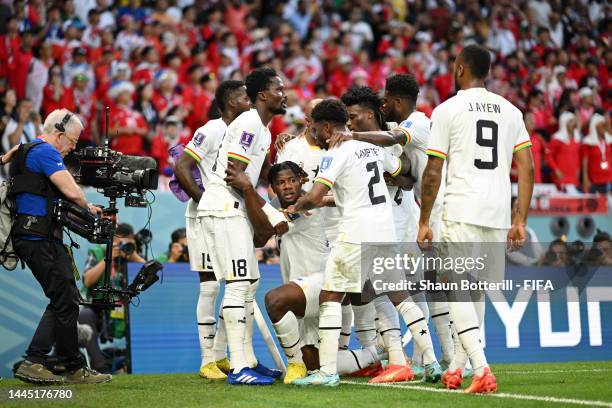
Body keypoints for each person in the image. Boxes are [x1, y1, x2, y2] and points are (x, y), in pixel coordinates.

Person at [287, 99, 441, 387]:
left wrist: (295, 207)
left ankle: (328, 371)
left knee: (330, 297)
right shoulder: (373, 148)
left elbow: (315, 193)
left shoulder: (335, 152)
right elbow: (403, 177)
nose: (317, 135)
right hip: (384, 229)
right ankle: (431, 362)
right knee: (400, 296)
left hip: (355, 233)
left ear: (328, 126)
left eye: (317, 129)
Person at [417, 44, 534, 393]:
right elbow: (526, 167)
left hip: (461, 208)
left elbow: (433, 170)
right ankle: (458, 365)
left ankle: (481, 368)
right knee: (476, 290)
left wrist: (424, 220)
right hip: (497, 212)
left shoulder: (447, 110)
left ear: (459, 68)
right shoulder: (511, 111)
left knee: (456, 289)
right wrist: (521, 219)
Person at [196, 67, 289, 385]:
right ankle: (238, 367)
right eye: (279, 88)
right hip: (224, 208)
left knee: (248, 283)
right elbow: (235, 175)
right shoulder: (250, 122)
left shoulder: (263, 128)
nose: (284, 93)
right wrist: (265, 214)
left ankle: (247, 358)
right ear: (263, 94)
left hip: (231, 208)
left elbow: (248, 179)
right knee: (239, 282)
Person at [11, 109, 111, 384]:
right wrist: (87, 206)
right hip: (37, 237)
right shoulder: (46, 151)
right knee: (64, 297)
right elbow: (70, 190)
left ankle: (68, 364)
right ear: (57, 133)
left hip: (35, 236)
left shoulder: (27, 149)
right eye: (73, 141)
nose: (73, 148)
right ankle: (38, 360)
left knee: (65, 297)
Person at [174, 79, 251, 380]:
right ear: (232, 102)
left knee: (235, 284)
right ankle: (207, 360)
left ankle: (220, 355)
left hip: (232, 215)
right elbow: (181, 165)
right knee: (210, 285)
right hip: (204, 216)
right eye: (245, 98)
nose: (250, 102)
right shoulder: (211, 129)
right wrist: (203, 200)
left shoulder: (245, 133)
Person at [80, 223, 145, 373]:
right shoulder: (97, 251)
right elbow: (87, 280)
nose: (122, 246)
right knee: (85, 315)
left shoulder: (132, 255)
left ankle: (132, 363)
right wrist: (108, 258)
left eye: (128, 242)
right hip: (98, 307)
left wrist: (133, 255)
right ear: (112, 240)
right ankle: (100, 366)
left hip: (125, 309)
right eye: (120, 242)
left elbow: (150, 274)